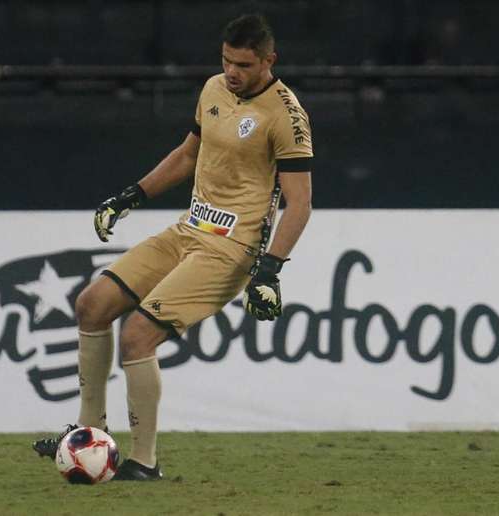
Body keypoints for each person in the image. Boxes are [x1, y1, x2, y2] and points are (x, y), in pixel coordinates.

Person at [33, 13, 313, 481]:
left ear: (269, 60)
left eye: (243, 65)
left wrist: (269, 271)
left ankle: (143, 463)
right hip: (187, 231)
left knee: (138, 335)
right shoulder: (213, 90)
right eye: (226, 61)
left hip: (230, 250)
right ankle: (89, 435)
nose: (232, 72)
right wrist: (132, 196)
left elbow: (299, 203)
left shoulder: (286, 114)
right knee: (92, 304)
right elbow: (188, 154)